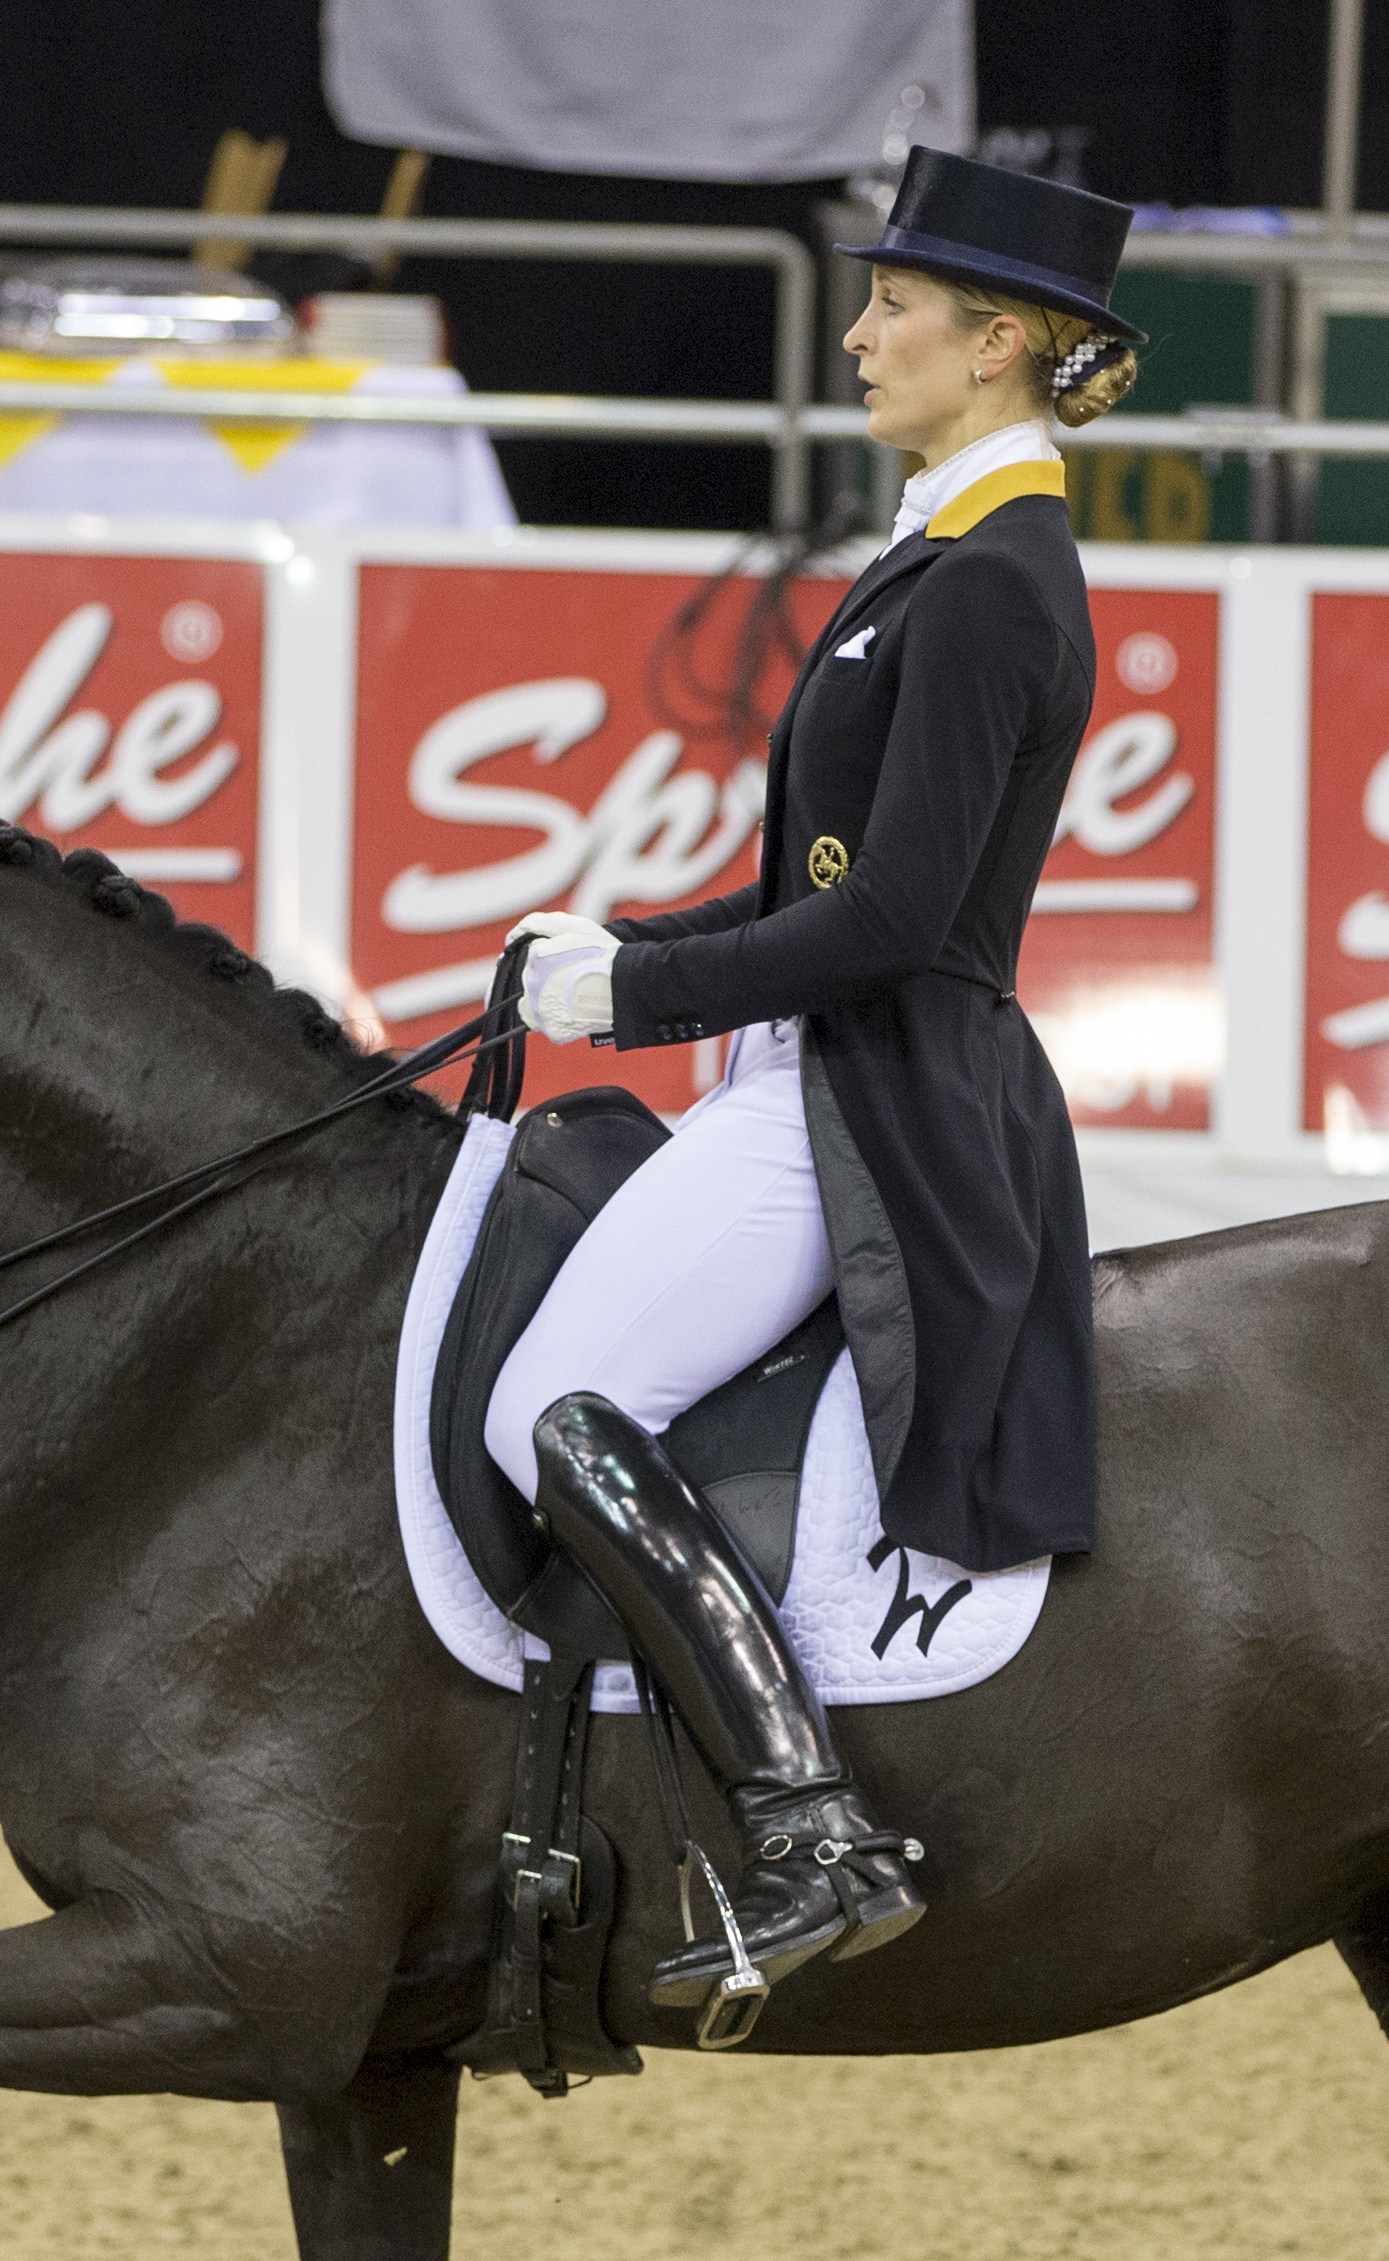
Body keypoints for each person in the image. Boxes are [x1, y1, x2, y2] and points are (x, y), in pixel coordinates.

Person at [479, 144, 1141, 2015]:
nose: (857, 337)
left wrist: (642, 989)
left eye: (893, 309)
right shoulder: (933, 555)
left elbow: (896, 925)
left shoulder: (999, 583)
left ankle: (805, 1824)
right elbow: (810, 889)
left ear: (996, 340)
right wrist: (621, 944)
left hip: (867, 1094)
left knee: (555, 1401)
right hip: (797, 1063)